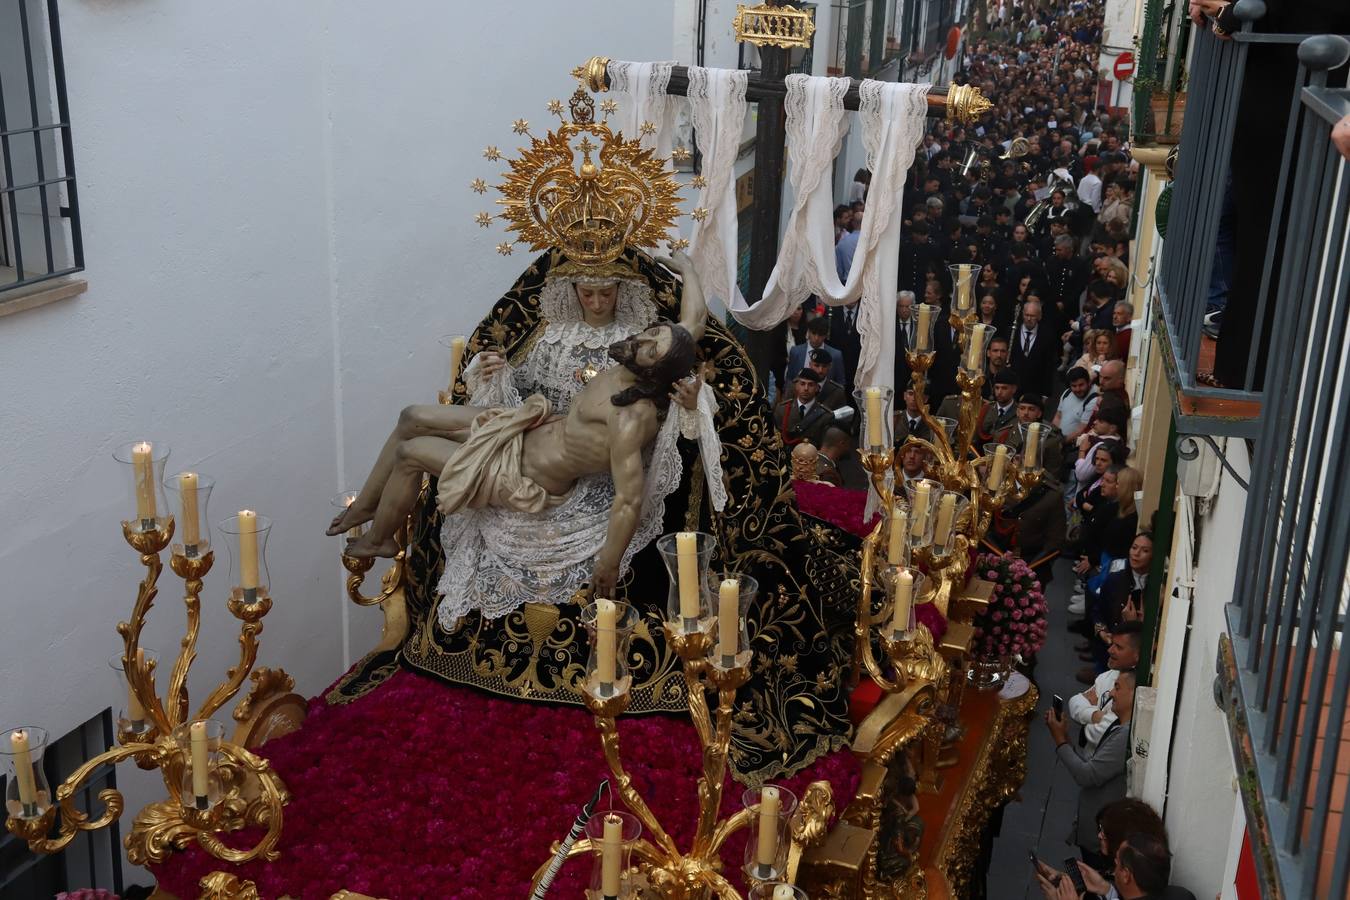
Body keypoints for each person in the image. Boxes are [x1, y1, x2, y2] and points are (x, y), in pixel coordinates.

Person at [332, 251, 708, 603]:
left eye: (649, 347)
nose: (642, 337)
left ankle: (380, 540)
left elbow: (629, 499)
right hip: (523, 428)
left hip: (521, 471)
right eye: (653, 333)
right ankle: (365, 506)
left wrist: (608, 563)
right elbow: (693, 323)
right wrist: (689, 271)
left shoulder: (631, 416)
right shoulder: (632, 362)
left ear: (653, 370)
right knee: (411, 416)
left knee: (409, 453)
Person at [1045, 668, 1135, 871]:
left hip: (1101, 841)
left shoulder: (1124, 736)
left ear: (1134, 695)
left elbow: (1087, 775)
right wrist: (1065, 737)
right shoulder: (1118, 728)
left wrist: (1060, 741)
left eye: (1118, 688)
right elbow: (1090, 764)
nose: (1111, 693)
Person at [1009, 298, 1058, 397]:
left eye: (1032, 316)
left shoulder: (1047, 335)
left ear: (1039, 316)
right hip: (1013, 387)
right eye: (1026, 315)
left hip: (1035, 388)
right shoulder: (1012, 332)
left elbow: (1049, 365)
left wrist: (1046, 393)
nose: (1029, 319)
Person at [778, 369, 835, 448]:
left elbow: (824, 446)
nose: (806, 388)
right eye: (802, 384)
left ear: (817, 388)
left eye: (810, 385)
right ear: (796, 386)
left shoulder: (826, 416)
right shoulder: (782, 409)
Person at [787, 316, 844, 384]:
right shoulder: (795, 352)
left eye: (820, 335)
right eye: (814, 333)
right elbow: (789, 378)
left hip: (825, 394)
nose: (816, 338)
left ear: (825, 335)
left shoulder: (835, 355)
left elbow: (840, 382)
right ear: (808, 332)